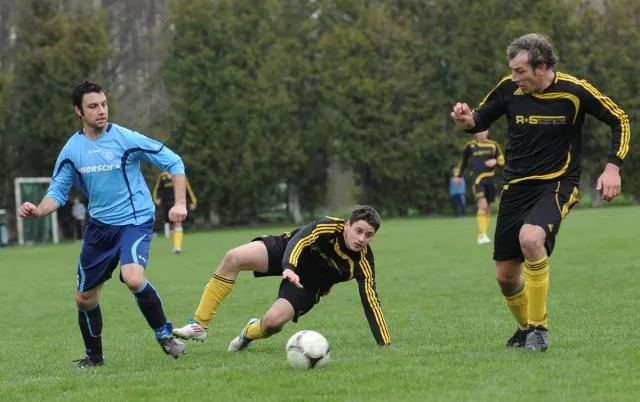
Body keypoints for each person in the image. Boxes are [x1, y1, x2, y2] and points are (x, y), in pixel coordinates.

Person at [450, 33, 629, 353]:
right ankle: (524, 330)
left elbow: (620, 119)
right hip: (515, 187)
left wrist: (613, 167)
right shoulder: (508, 89)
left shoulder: (575, 91)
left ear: (542, 67)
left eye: (520, 71)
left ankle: (538, 328)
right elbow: (478, 119)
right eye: (512, 70)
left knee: (531, 238)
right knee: (506, 277)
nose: (514, 77)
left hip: (557, 184)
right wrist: (465, 120)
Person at [18, 81, 189, 368]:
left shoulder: (125, 138)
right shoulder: (72, 150)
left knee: (133, 277)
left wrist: (180, 203)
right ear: (78, 111)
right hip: (100, 228)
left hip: (135, 220)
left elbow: (174, 161)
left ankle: (164, 335)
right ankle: (94, 358)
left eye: (104, 104)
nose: (101, 111)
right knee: (84, 299)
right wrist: (38, 211)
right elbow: (57, 192)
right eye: (93, 106)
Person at [172, 205, 391, 350]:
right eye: (358, 231)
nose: (361, 239)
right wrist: (289, 267)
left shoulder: (363, 263)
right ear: (347, 225)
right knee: (233, 257)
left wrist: (385, 344)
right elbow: (300, 240)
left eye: (368, 235)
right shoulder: (328, 225)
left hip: (310, 283)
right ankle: (199, 325)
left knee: (272, 323)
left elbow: (371, 301)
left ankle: (248, 332)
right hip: (289, 249)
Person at [456, 130, 505, 243]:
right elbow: (463, 162)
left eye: (484, 131)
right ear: (475, 133)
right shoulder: (470, 146)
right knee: (482, 205)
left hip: (490, 180)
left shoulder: (493, 145)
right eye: (479, 131)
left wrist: (495, 161)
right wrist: (458, 176)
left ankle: (484, 233)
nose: (481, 133)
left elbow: (502, 162)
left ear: (487, 132)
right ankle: (481, 235)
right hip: (478, 180)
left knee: (486, 207)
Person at [152, 170, 197, 253]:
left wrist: (192, 201)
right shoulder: (163, 176)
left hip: (177, 203)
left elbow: (187, 188)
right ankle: (175, 245)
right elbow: (157, 188)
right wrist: (157, 198)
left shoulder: (179, 174)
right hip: (166, 204)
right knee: (171, 225)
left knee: (178, 222)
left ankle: (177, 247)